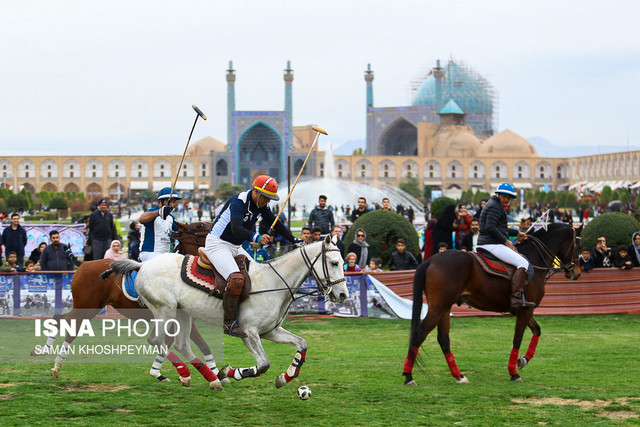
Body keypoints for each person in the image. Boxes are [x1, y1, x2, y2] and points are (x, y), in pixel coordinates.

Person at [204, 175, 297, 338]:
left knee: (257, 276)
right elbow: (236, 229)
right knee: (236, 279)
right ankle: (229, 323)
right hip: (217, 244)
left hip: (235, 246)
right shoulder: (238, 202)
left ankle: (250, 315)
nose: (268, 202)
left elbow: (275, 222)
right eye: (266, 198)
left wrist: (295, 239)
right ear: (256, 193)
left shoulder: (260, 204)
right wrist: (257, 237)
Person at [477, 182, 535, 310]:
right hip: (491, 244)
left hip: (489, 242)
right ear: (499, 194)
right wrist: (506, 241)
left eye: (509, 198)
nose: (507, 200)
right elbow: (491, 227)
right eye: (505, 196)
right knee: (523, 263)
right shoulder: (494, 206)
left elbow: (500, 228)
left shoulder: (495, 205)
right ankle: (516, 299)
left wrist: (516, 233)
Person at [139, 188, 181, 262]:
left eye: (173, 202)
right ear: (160, 201)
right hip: (150, 254)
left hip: (165, 254)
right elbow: (141, 219)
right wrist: (159, 212)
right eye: (169, 202)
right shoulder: (152, 213)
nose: (172, 205)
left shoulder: (170, 217)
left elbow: (180, 229)